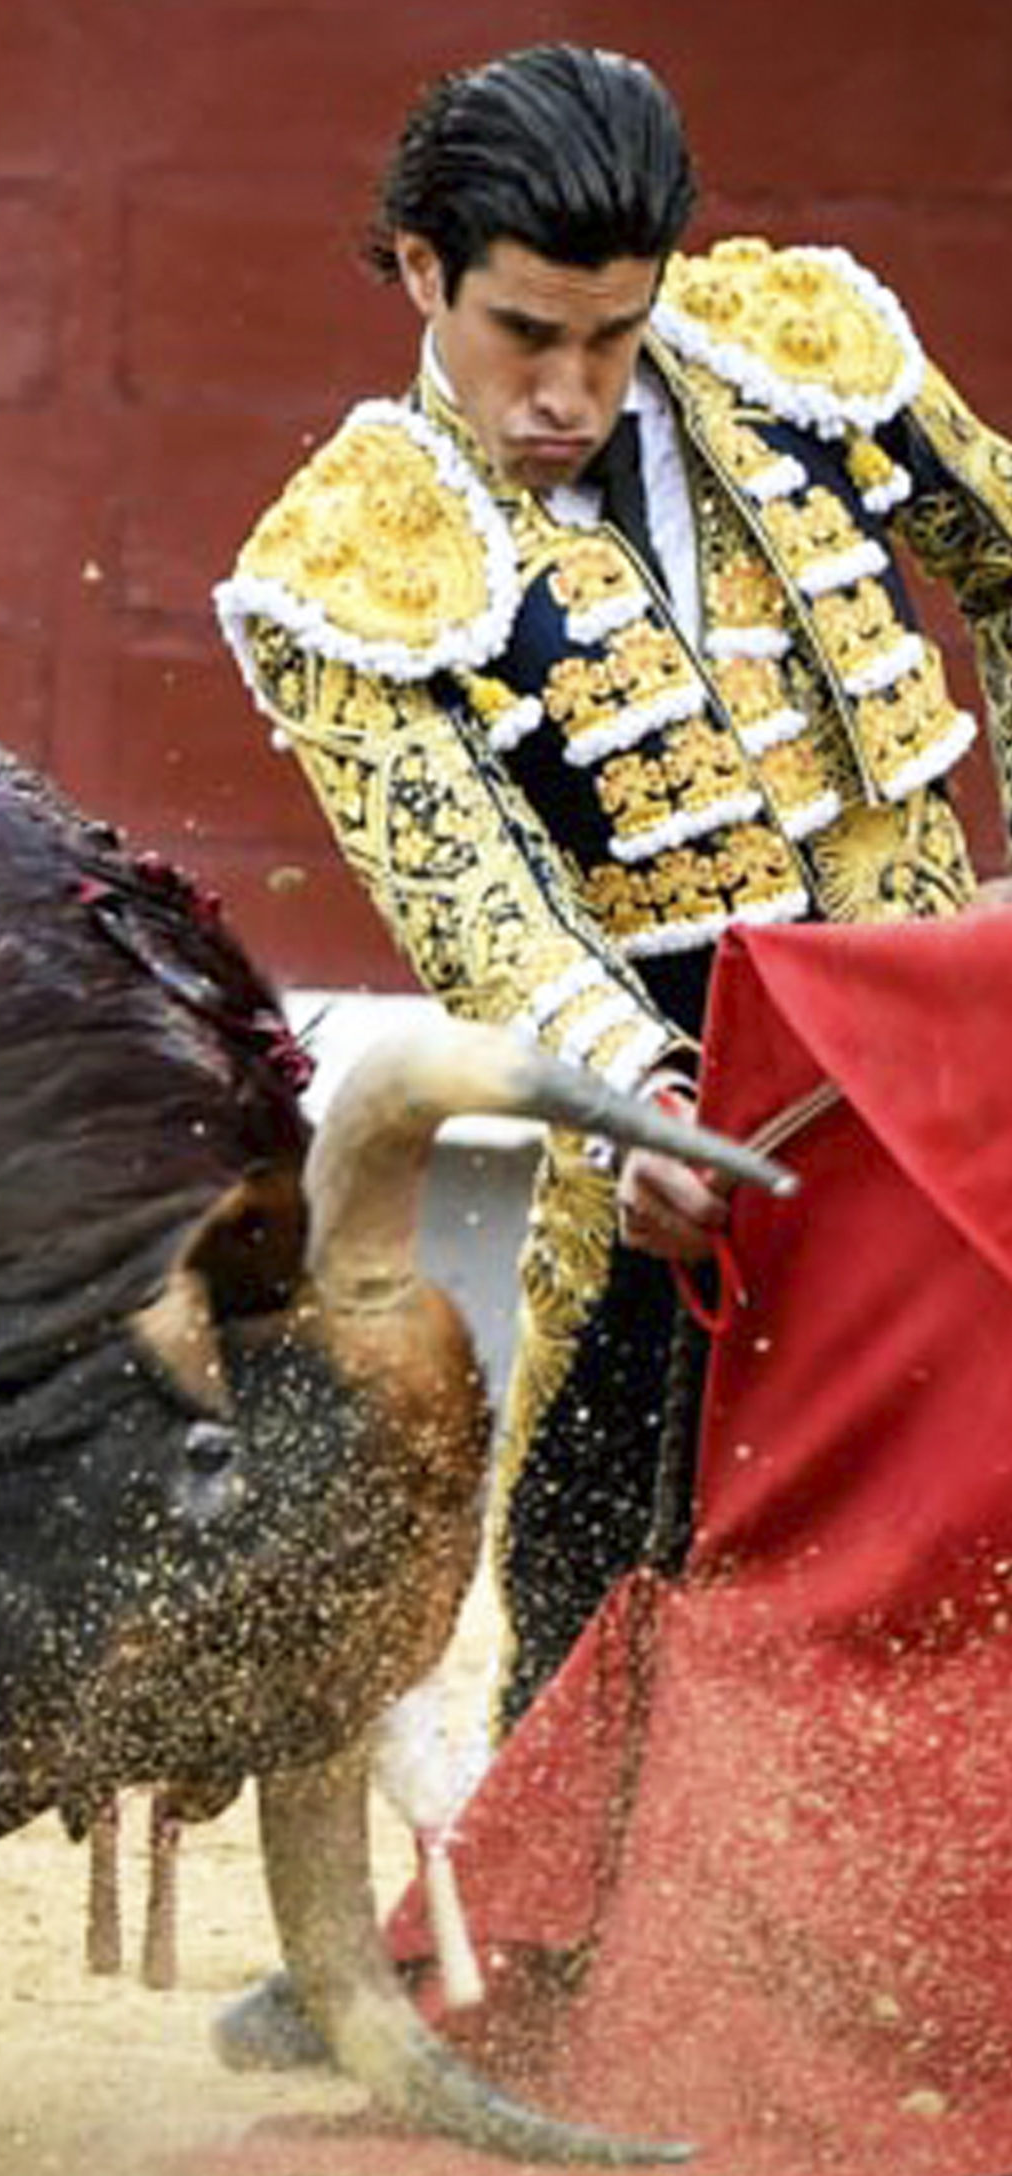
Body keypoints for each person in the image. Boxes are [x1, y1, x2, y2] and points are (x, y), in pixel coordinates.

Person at [215, 45, 1012, 1738]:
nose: (566, 389)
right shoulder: (343, 562)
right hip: (697, 1133)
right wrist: (626, 1109)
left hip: (956, 1080)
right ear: (422, 270)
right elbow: (478, 903)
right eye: (524, 334)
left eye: (610, 335)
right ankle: (540, 1972)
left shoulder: (792, 361)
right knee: (605, 1578)